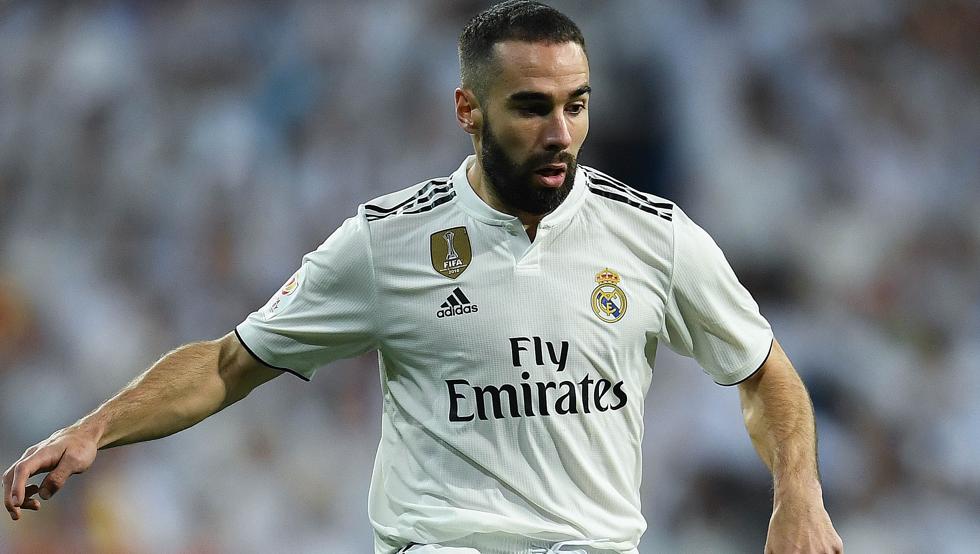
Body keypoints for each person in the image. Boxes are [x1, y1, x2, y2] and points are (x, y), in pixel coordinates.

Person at [3, 1, 843, 552]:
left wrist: (797, 494)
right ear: (468, 111)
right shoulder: (389, 241)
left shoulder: (655, 237)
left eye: (576, 104)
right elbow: (231, 363)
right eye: (531, 106)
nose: (560, 131)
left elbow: (765, 373)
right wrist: (96, 429)